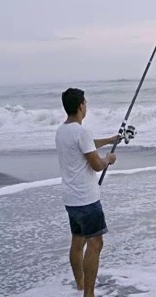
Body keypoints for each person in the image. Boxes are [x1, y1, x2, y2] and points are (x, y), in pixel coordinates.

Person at [56, 88, 117, 297]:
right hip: (87, 200)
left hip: (71, 199)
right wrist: (108, 159)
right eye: (86, 102)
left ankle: (80, 284)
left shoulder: (62, 131)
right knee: (95, 243)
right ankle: (88, 294)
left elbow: (86, 146)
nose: (86, 105)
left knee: (77, 241)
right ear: (81, 106)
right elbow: (97, 164)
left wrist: (110, 139)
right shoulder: (82, 132)